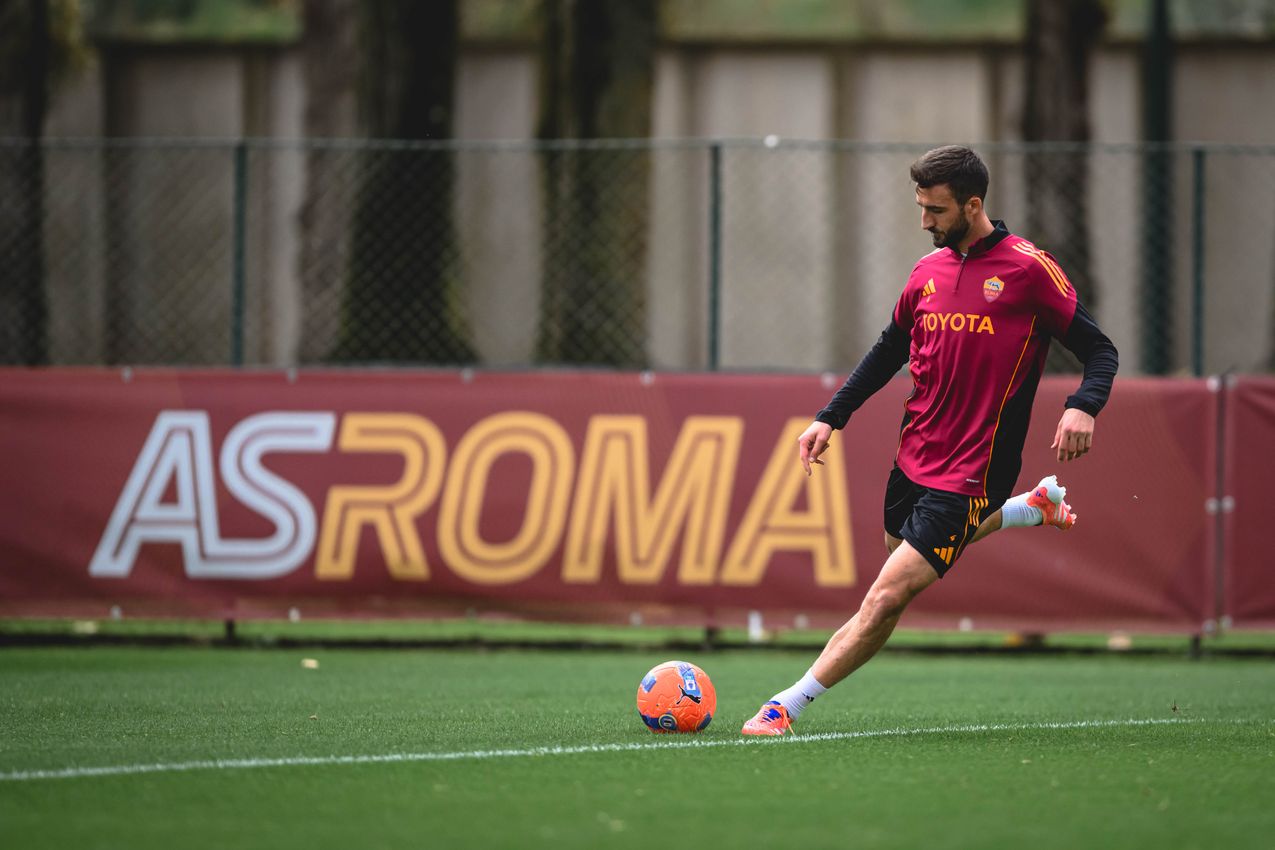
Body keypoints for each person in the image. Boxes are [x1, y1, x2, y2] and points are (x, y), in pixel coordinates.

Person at [741, 145, 1119, 736]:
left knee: (886, 597)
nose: (924, 222)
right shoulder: (927, 271)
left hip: (975, 468)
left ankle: (786, 705)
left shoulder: (1028, 269)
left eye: (935, 210)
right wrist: (830, 416)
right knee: (901, 555)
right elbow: (889, 349)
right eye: (920, 207)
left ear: (973, 205)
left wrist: (1083, 406)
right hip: (914, 456)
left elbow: (1100, 350)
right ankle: (1027, 508)